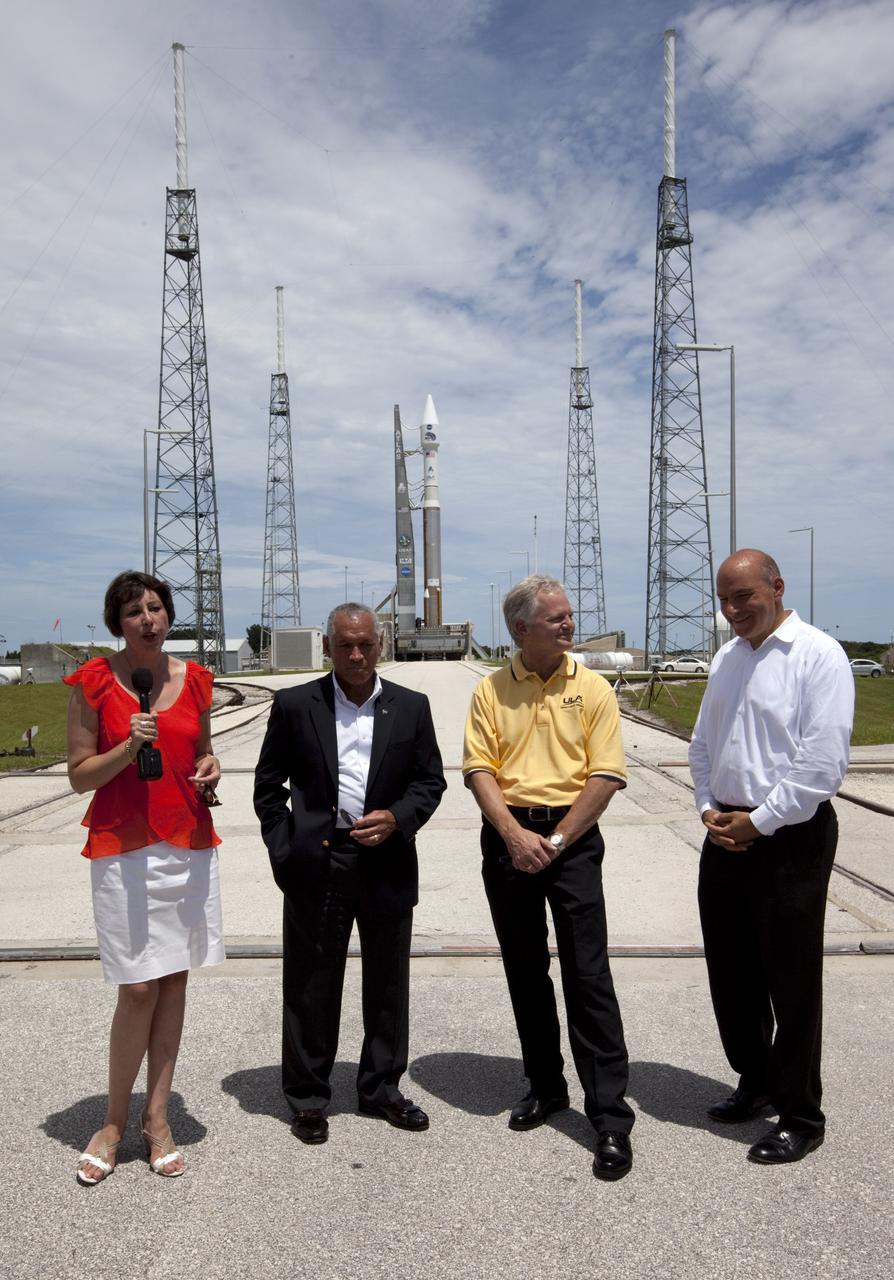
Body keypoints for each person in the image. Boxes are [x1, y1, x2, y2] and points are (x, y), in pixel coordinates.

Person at [463, 575, 635, 1181]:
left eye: (569, 615)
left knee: (588, 974)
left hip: (573, 841)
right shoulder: (491, 691)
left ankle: (610, 1115)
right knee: (526, 970)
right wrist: (513, 836)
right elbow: (479, 768)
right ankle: (545, 1085)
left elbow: (606, 776)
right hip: (509, 838)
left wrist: (556, 841)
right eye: (556, 618)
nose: (568, 624)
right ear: (521, 629)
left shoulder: (591, 689)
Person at [253, 603, 445, 1144]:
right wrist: (285, 850)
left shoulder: (410, 707)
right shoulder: (295, 705)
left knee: (387, 983)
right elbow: (268, 788)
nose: (356, 655)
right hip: (319, 861)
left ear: (379, 644)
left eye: (365, 644)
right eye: (345, 645)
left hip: (385, 861)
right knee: (312, 984)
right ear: (329, 648)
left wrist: (398, 819)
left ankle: (381, 1088)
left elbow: (429, 783)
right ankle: (309, 1097)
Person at [689, 549, 854, 1165]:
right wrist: (708, 806)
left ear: (777, 588)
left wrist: (758, 823)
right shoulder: (727, 659)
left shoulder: (817, 655)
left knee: (790, 978)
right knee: (732, 974)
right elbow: (703, 745)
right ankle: (753, 1080)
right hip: (724, 831)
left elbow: (822, 764)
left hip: (789, 838)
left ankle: (800, 1113)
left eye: (744, 598)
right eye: (725, 600)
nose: (732, 611)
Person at [65, 571, 223, 1185]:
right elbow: (79, 776)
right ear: (117, 622)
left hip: (186, 844)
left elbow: (200, 756)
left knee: (174, 981)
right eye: (134, 612)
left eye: (156, 608)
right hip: (123, 848)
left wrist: (210, 769)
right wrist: (127, 748)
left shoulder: (198, 681)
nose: (148, 620)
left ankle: (157, 1119)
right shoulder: (94, 683)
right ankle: (112, 1119)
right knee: (136, 988)